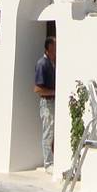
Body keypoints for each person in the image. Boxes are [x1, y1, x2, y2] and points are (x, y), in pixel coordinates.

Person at [34, 36, 57, 172]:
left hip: (53, 102)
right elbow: (37, 89)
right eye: (54, 46)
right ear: (49, 48)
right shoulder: (42, 64)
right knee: (48, 132)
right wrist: (55, 92)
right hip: (47, 103)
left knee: (53, 131)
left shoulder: (53, 64)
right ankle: (48, 163)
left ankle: (52, 160)